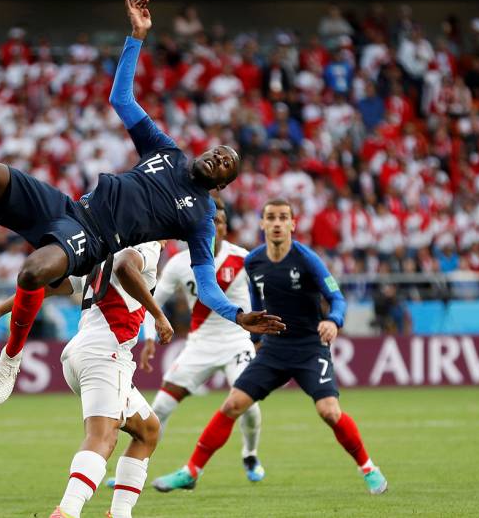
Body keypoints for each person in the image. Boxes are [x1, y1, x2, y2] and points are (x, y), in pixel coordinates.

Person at [0, 0, 283, 407]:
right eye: (220, 151)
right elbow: (121, 98)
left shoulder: (202, 217)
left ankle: (11, 357)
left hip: (93, 241)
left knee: (33, 271)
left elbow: (206, 285)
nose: (220, 157)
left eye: (228, 163)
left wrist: (238, 315)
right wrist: (136, 37)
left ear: (222, 184)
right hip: (70, 207)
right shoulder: (167, 151)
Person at [151, 199, 388, 496]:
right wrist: (257, 341)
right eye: (271, 218)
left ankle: (368, 468)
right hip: (274, 350)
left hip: (309, 348)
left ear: (292, 224)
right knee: (232, 405)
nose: (277, 223)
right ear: (262, 224)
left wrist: (334, 321)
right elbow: (257, 302)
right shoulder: (255, 261)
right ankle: (191, 472)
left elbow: (337, 297)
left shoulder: (307, 259)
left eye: (283, 218)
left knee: (329, 411)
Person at [0, 242, 171, 518]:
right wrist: (159, 314)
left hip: (79, 354)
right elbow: (125, 266)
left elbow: (46, 288)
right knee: (103, 436)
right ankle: (67, 511)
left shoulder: (101, 250)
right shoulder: (147, 244)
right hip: (106, 354)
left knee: (148, 430)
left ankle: (120, 514)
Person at [134, 199, 265, 483]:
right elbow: (152, 303)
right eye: (208, 221)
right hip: (200, 346)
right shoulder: (180, 264)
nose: (214, 226)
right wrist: (148, 338)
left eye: (219, 221)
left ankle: (250, 453)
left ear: (225, 227)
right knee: (160, 408)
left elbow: (262, 301)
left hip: (237, 343)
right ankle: (137, 467)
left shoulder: (244, 259)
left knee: (249, 407)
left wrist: (259, 339)